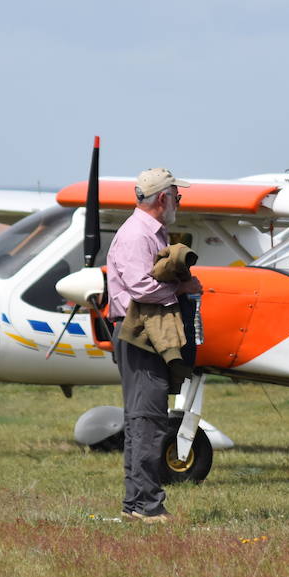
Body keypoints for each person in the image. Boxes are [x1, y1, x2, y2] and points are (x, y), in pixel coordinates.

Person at [107, 167, 200, 525]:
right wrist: (183, 289)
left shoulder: (146, 231)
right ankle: (146, 505)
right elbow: (140, 287)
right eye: (177, 196)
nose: (179, 202)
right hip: (140, 332)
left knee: (143, 418)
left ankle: (137, 502)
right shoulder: (137, 235)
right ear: (163, 198)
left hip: (142, 330)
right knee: (147, 418)